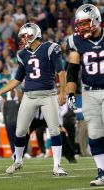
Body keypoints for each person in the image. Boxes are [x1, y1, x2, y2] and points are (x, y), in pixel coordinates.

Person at [0, 23, 67, 176]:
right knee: (20, 130)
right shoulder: (22, 54)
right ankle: (18, 160)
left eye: (24, 36)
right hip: (29, 95)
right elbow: (17, 79)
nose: (23, 40)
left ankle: (57, 166)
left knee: (54, 129)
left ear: (33, 35)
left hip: (48, 95)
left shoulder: (50, 48)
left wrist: (62, 91)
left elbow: (61, 72)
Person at [66, 4, 104, 186]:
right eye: (79, 24)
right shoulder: (76, 41)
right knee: (95, 133)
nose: (82, 28)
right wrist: (71, 93)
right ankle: (101, 171)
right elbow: (72, 70)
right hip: (89, 92)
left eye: (85, 23)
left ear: (96, 20)